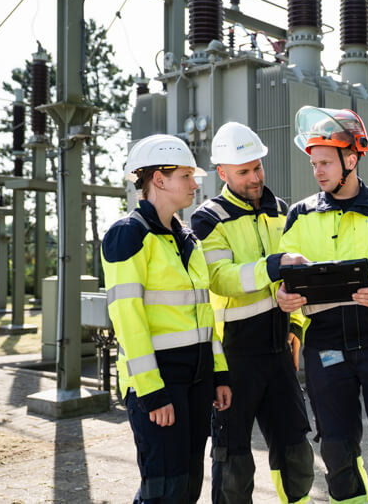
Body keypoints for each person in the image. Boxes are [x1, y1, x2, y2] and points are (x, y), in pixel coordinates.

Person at [276, 106, 368, 504]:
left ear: (352, 158)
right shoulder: (300, 215)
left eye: (325, 162)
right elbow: (285, 274)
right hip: (326, 347)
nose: (318, 171)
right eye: (313, 164)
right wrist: (283, 297)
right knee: (336, 449)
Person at [101, 134, 232, 504]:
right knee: (164, 489)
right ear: (159, 179)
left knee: (189, 484)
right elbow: (128, 319)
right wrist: (153, 392)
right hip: (158, 384)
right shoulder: (128, 235)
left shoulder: (187, 239)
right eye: (187, 176)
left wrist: (218, 373)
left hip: (197, 380)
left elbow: (205, 313)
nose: (195, 183)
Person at [189, 122, 315, 504]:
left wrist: (296, 327)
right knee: (233, 459)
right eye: (243, 172)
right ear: (222, 173)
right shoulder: (207, 218)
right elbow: (220, 278)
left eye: (257, 167)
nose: (254, 177)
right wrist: (273, 266)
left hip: (279, 351)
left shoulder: (282, 211)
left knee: (297, 450)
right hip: (234, 357)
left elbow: (298, 279)